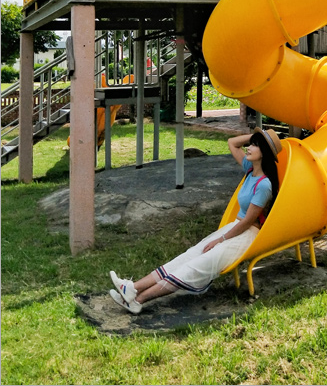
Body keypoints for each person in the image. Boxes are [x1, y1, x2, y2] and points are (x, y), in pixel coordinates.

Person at [108, 128, 282, 314]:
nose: (249, 147)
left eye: (255, 145)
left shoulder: (264, 184)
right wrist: (258, 136)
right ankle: (132, 288)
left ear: (264, 152)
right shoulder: (250, 171)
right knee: (189, 255)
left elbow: (248, 222)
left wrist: (220, 240)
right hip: (234, 229)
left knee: (195, 267)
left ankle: (138, 300)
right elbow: (232, 142)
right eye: (251, 143)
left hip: (246, 236)